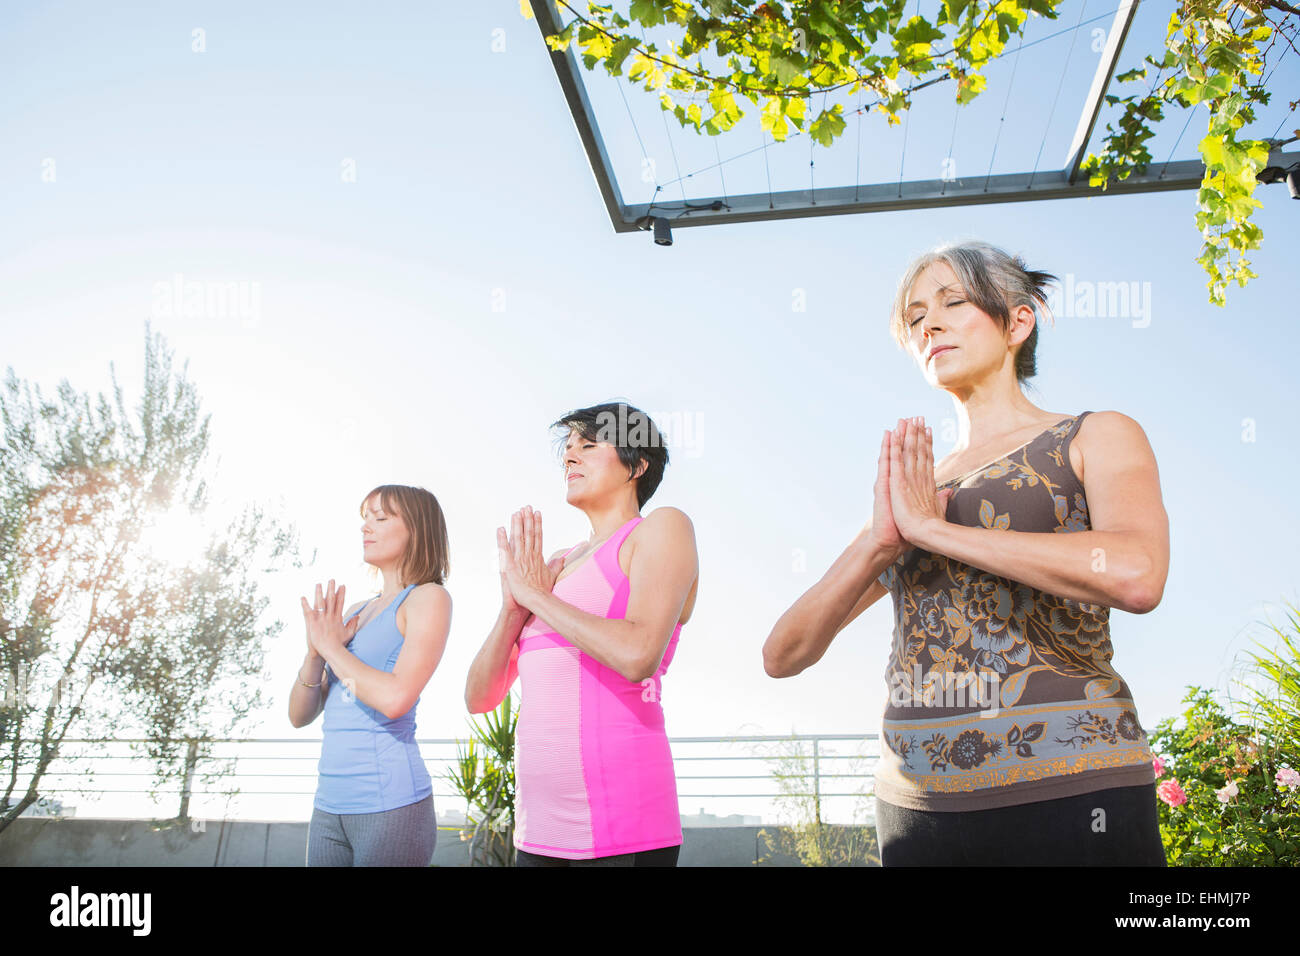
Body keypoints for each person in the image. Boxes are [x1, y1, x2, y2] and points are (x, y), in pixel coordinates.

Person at [762, 240, 1170, 866]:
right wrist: (881, 541)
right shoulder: (916, 487)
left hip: (1076, 793)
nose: (931, 322)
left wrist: (935, 531)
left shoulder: (1094, 434)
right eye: (917, 314)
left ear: (1018, 321)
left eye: (954, 301)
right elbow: (784, 654)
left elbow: (1137, 575)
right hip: (917, 808)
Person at [464, 402, 699, 866]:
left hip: (624, 833)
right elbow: (480, 698)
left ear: (639, 464)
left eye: (588, 445)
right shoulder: (553, 566)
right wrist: (514, 608)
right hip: (538, 835)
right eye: (567, 450)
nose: (570, 457)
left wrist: (540, 599)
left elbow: (637, 654)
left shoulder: (660, 529)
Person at [291, 484, 452, 866]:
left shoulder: (428, 598)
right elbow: (299, 716)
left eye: (380, 518)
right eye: (365, 518)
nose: (367, 527)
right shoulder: (356, 613)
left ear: (418, 529)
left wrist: (331, 648)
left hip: (390, 805)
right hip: (329, 807)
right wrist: (315, 653)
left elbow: (396, 699)